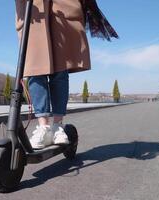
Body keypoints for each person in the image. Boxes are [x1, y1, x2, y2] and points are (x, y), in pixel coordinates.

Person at [15, 0, 118, 149]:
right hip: (32, 8)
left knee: (60, 68)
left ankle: (58, 126)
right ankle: (44, 128)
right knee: (35, 68)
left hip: (61, 7)